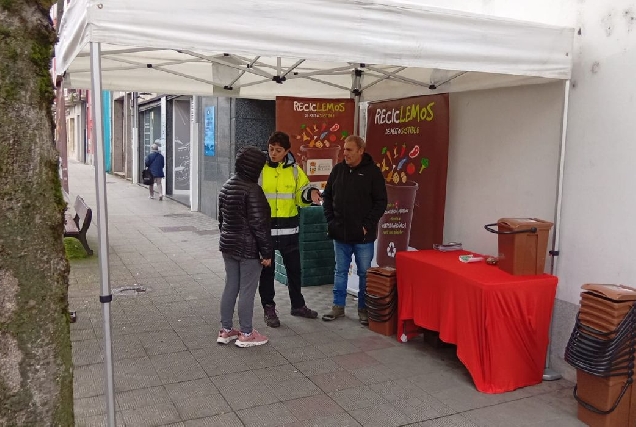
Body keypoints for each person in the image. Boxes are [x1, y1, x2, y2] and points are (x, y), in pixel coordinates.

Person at [321, 135, 387, 325]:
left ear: (360, 151)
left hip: (363, 237)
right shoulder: (338, 170)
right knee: (340, 271)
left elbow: (381, 202)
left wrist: (366, 226)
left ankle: (363, 310)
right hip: (340, 234)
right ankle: (338, 307)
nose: (345, 153)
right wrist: (331, 221)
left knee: (364, 273)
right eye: (344, 149)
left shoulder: (373, 173)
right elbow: (327, 197)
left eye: (349, 150)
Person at [258, 131, 322, 327]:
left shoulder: (295, 171)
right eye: (271, 149)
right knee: (267, 273)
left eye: (278, 150)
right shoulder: (260, 169)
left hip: (289, 231)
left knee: (294, 271)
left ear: (286, 151)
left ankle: (298, 305)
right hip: (266, 232)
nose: (273, 153)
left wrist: (310, 194)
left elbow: (302, 193)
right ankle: (269, 309)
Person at [217, 146, 272, 347]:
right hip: (249, 249)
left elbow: (221, 220)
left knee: (230, 286)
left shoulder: (226, 186)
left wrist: (227, 239)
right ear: (255, 167)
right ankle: (246, 333)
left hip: (228, 246)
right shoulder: (253, 190)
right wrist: (267, 253)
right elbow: (260, 226)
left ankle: (225, 330)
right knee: (247, 291)